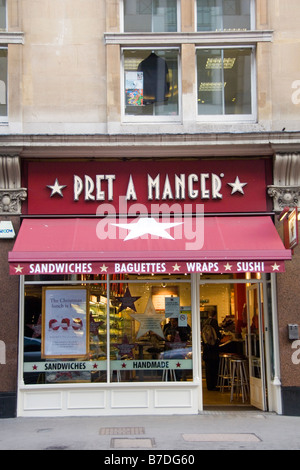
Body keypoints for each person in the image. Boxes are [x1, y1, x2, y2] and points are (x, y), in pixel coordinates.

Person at [202, 311, 221, 391]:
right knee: (214, 368)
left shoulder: (204, 322)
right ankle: (214, 385)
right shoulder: (214, 322)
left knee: (208, 368)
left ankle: (209, 385)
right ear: (215, 315)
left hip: (206, 348)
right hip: (213, 349)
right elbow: (217, 334)